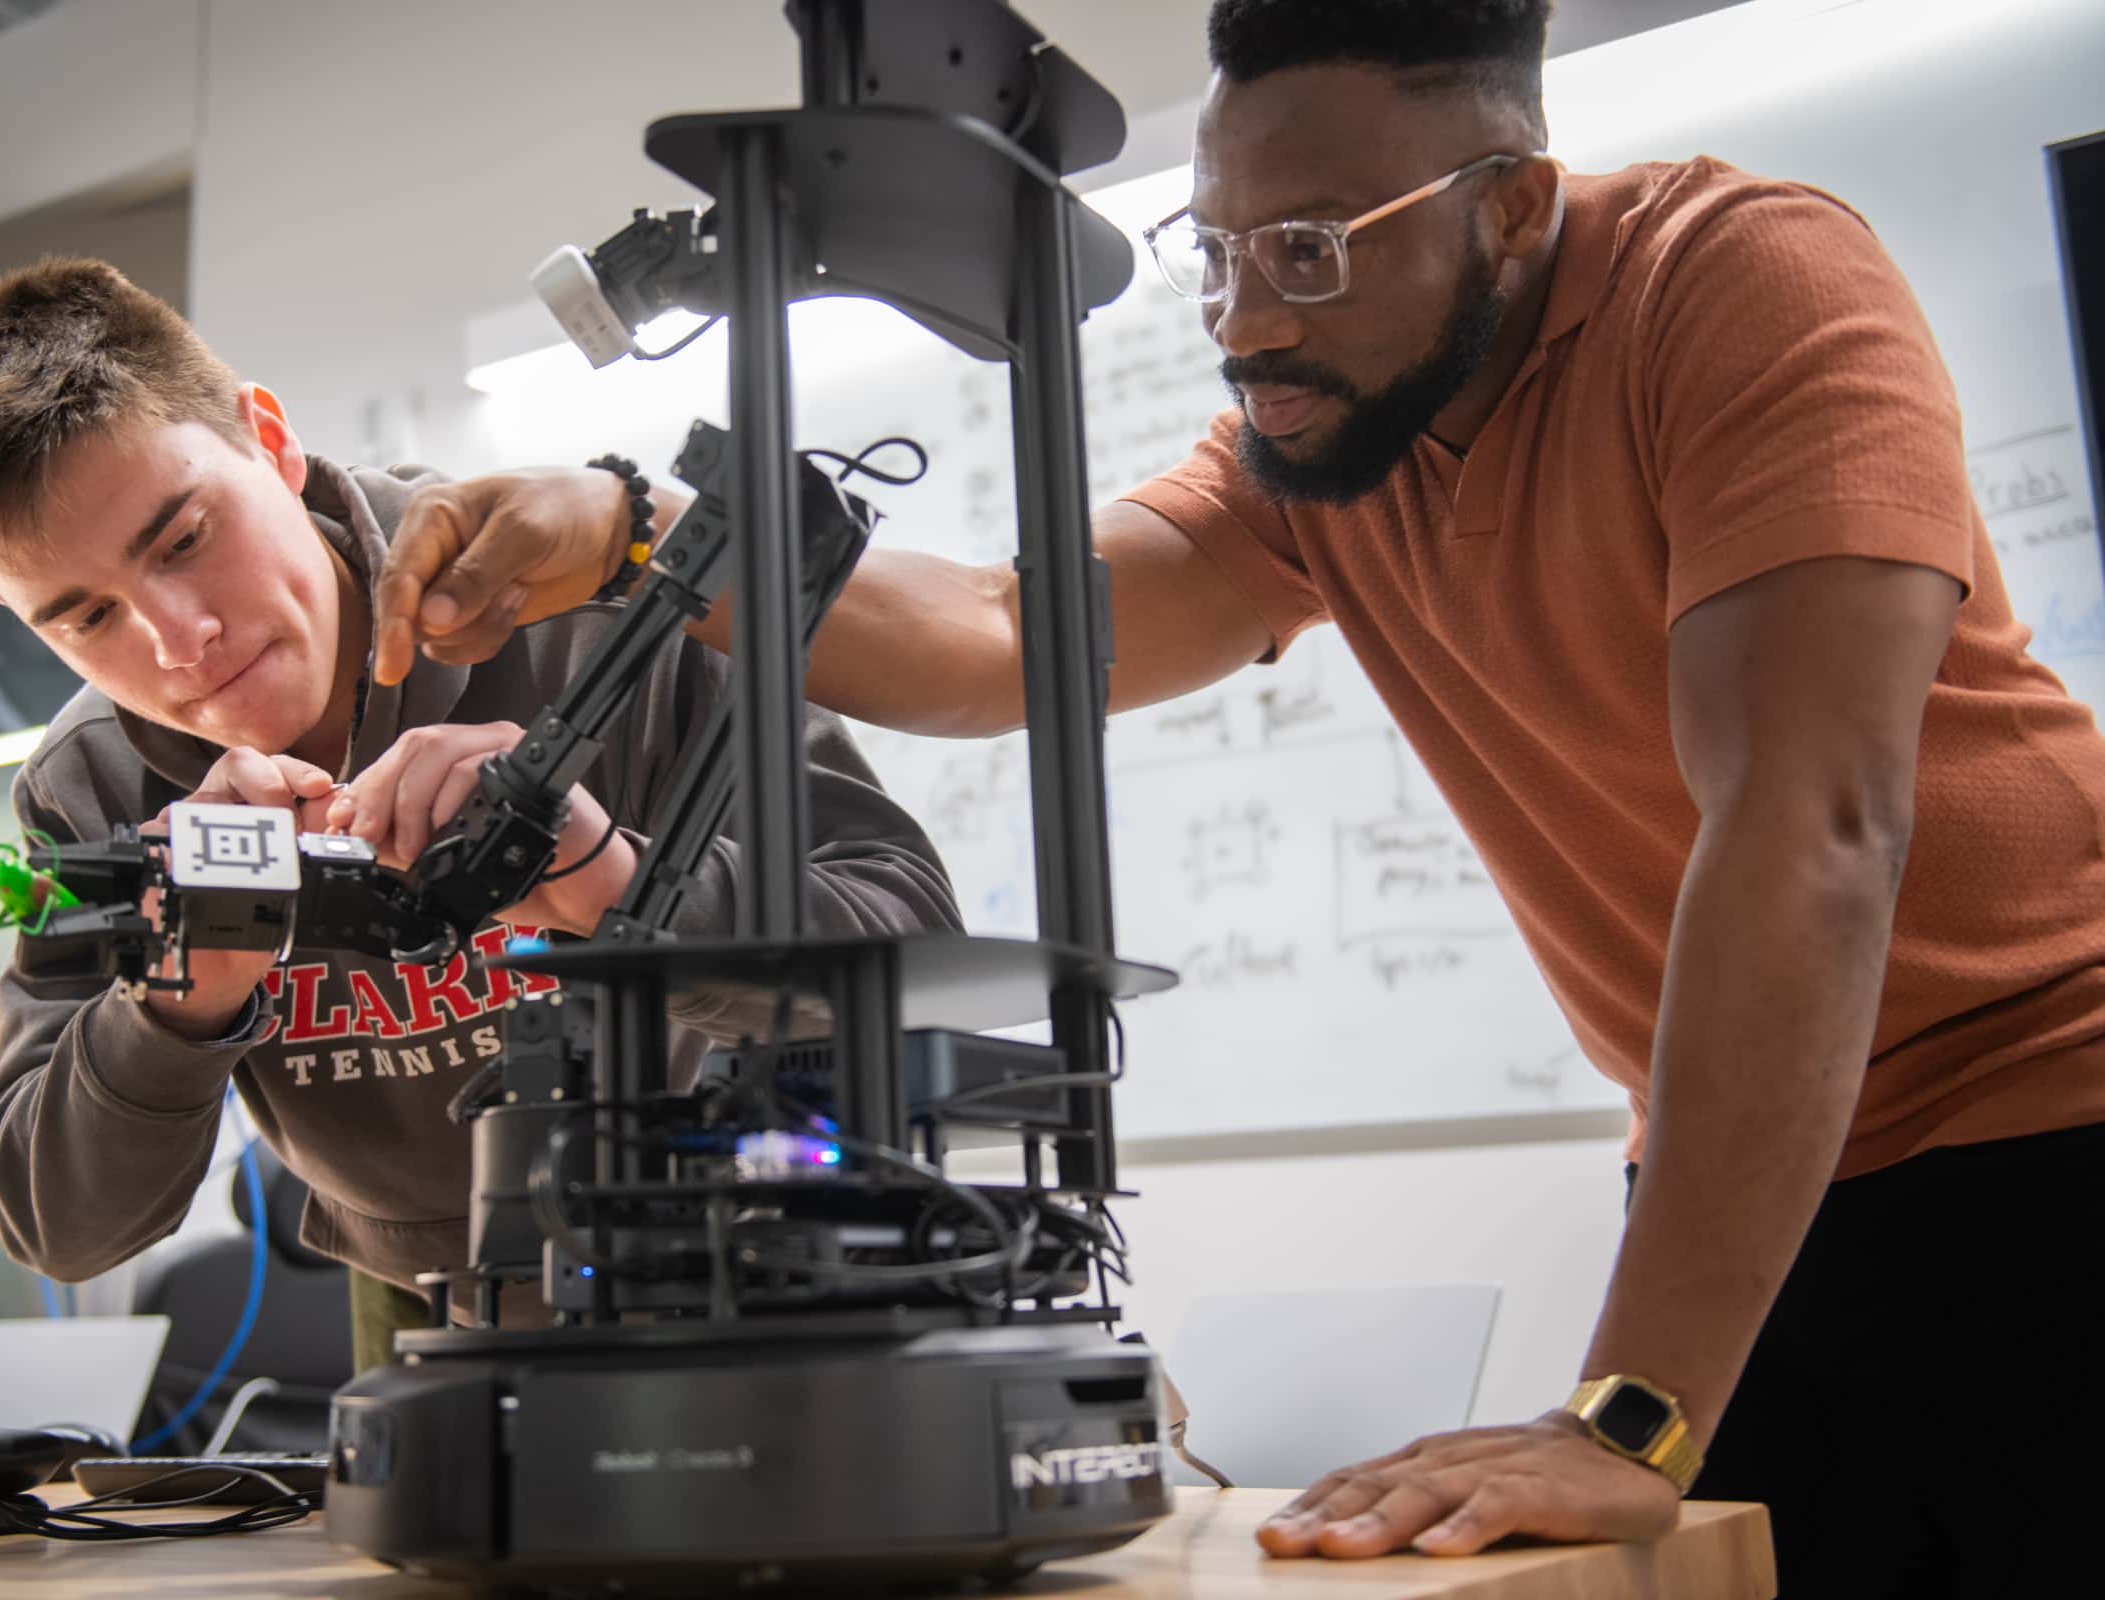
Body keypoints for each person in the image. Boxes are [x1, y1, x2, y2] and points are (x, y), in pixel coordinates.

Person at [358, 2, 2105, 1593]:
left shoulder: (1740, 283)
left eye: (1316, 250)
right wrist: (638, 527)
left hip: (2053, 1131)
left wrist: (1628, 1415)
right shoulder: (1323, 451)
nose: (1250, 318)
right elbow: (998, 635)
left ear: (1508, 206)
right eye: (1218, 250)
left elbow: (1815, 833)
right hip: (1758, 1187)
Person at [0, 258, 960, 1374]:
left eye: (185, 539)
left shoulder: (603, 617)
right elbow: (58, 1224)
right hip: (425, 1303)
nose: (176, 638)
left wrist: (607, 880)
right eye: (88, 615)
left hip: (764, 1270)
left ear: (269, 440)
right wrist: (179, 1006)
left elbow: (914, 943)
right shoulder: (91, 783)